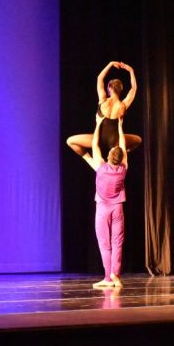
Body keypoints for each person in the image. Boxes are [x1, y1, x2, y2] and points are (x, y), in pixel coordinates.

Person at [83, 114, 128, 288]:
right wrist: (120, 127)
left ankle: (108, 278)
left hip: (103, 209)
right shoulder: (123, 169)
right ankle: (114, 274)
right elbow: (123, 146)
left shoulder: (100, 167)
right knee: (118, 242)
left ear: (109, 157)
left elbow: (94, 144)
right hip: (117, 209)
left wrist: (98, 124)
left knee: (105, 243)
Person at [66, 61, 141, 160]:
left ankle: (89, 160)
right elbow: (133, 89)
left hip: (98, 139)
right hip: (116, 142)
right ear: (121, 90)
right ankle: (122, 152)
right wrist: (131, 71)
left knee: (70, 141)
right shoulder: (123, 105)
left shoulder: (103, 100)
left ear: (109, 88)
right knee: (138, 140)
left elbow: (100, 78)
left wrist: (110, 64)